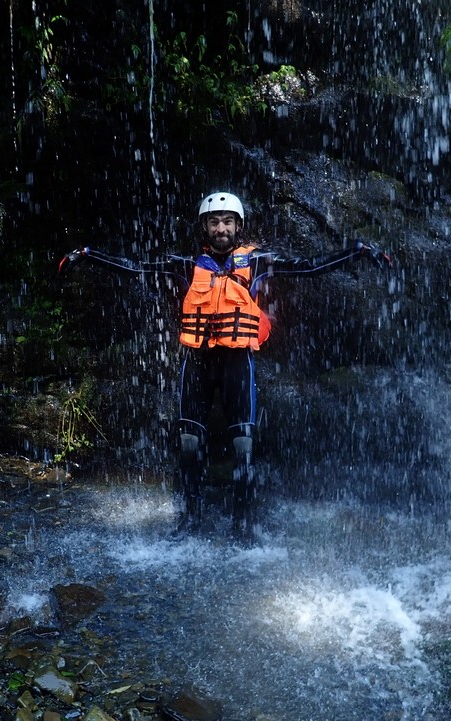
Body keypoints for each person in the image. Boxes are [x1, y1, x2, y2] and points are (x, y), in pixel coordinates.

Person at [58, 191, 391, 544]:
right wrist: (89, 255)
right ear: (205, 227)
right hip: (198, 362)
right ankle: (190, 520)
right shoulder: (186, 265)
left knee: (244, 445)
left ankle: (243, 526)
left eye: (228, 222)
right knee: (188, 442)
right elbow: (136, 267)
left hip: (237, 363)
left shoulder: (259, 263)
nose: (221, 228)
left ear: (239, 226)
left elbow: (308, 267)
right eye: (214, 222)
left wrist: (356, 251)